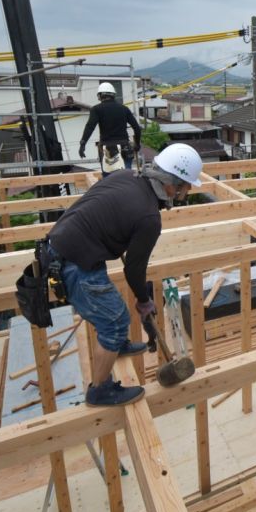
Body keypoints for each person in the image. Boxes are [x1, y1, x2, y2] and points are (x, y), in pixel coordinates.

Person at [46, 143, 204, 406]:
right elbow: (133, 268)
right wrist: (144, 301)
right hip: (74, 263)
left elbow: (105, 208)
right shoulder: (148, 218)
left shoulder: (126, 176)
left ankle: (115, 346)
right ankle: (100, 390)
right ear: (170, 185)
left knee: (113, 313)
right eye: (186, 186)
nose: (186, 193)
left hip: (66, 246)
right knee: (116, 321)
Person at [78, 82, 142, 175]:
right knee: (127, 179)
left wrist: (83, 144)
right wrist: (137, 144)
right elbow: (136, 128)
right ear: (113, 95)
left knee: (109, 181)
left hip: (107, 150)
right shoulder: (124, 109)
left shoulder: (96, 109)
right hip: (124, 148)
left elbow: (90, 127)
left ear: (100, 96)